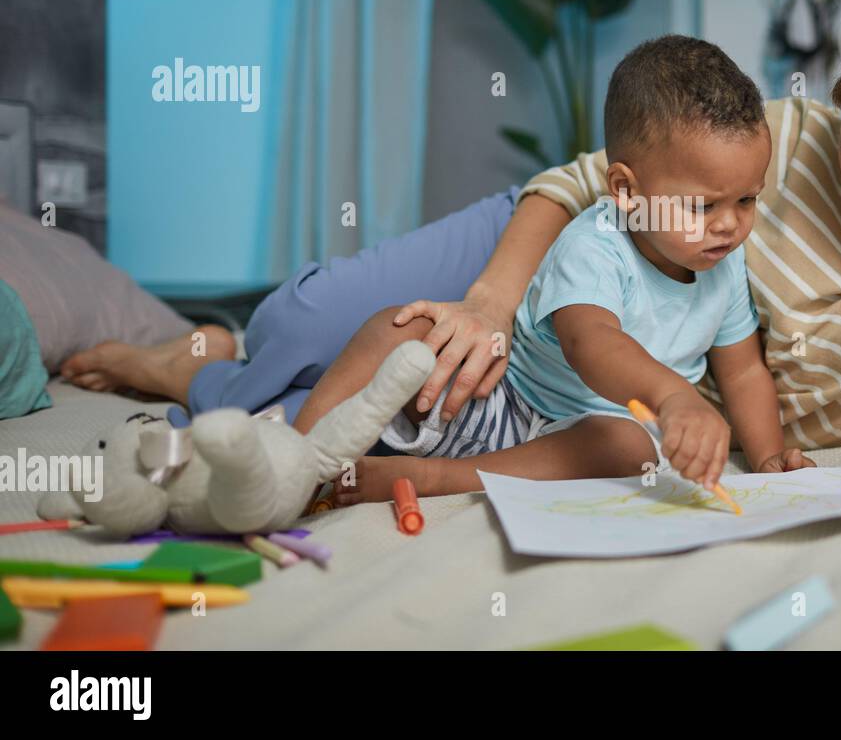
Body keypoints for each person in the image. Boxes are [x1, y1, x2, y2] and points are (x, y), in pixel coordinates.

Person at [62, 0, 841, 488]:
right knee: (303, 318)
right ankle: (190, 358)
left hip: (627, 349)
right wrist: (486, 300)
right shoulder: (783, 136)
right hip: (548, 248)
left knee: (321, 400)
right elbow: (579, 183)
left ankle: (216, 386)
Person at [294, 36, 813, 502]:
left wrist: (769, 458)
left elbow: (743, 371)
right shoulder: (596, 242)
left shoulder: (723, 263)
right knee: (401, 329)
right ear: (627, 191)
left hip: (580, 444)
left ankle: (438, 480)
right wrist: (673, 396)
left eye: (747, 199)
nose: (729, 225)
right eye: (703, 207)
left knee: (631, 446)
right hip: (495, 399)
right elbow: (591, 344)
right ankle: (297, 461)